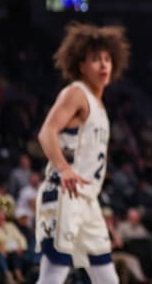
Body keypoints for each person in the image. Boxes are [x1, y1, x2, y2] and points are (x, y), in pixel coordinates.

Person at [35, 22, 130, 284]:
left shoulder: (99, 103)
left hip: (88, 200)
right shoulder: (76, 93)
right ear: (81, 65)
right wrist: (64, 169)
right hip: (64, 195)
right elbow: (46, 132)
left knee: (107, 277)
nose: (104, 66)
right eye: (96, 60)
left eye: (107, 59)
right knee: (53, 275)